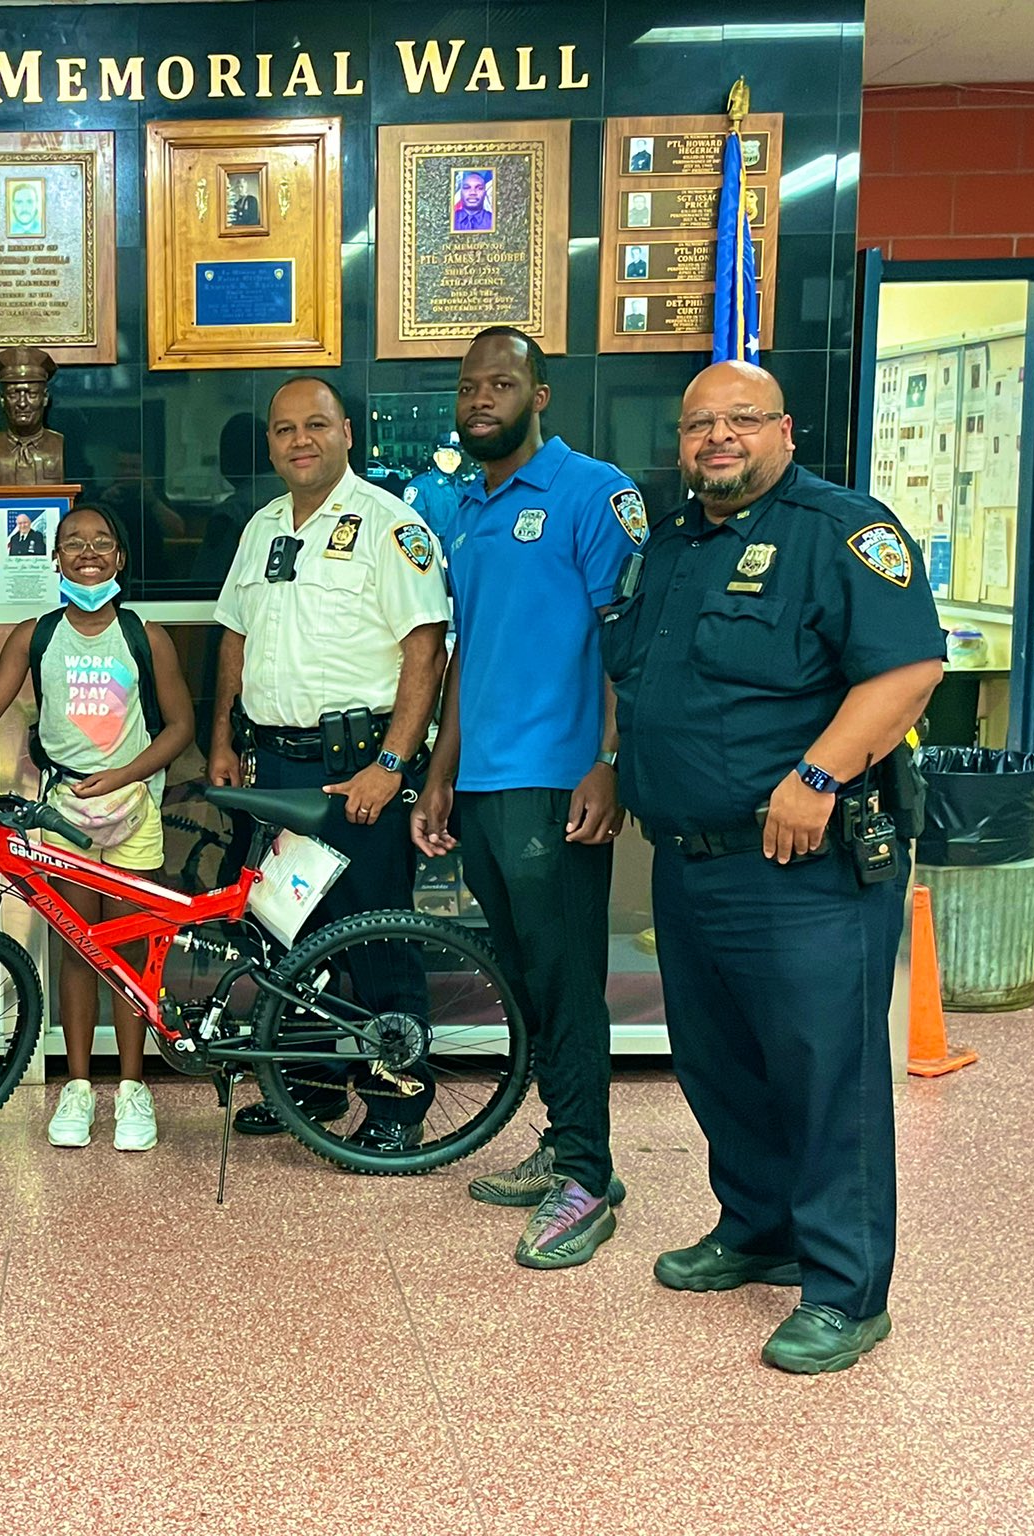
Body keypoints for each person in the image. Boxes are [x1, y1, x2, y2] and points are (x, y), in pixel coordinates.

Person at [604, 360, 943, 1373]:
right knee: (719, 1063)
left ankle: (845, 1292)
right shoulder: (672, 546)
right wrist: (613, 765)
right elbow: (647, 681)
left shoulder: (841, 531)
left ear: (784, 431)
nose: (718, 437)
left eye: (741, 419)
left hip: (801, 865)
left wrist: (817, 774)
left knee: (824, 1074)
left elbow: (908, 670)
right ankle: (758, 1230)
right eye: (698, 423)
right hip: (690, 859)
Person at [410, 326, 642, 1270]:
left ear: (539, 395)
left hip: (559, 782)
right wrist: (440, 775)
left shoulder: (593, 493)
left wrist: (611, 760)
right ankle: (564, 1140)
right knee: (526, 976)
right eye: (470, 386)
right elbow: (468, 653)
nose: (481, 400)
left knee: (566, 979)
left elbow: (627, 641)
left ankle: (587, 1176)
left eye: (501, 384)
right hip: (486, 784)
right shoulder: (466, 507)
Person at [209, 377, 450, 1147]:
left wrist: (392, 762)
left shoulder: (390, 525)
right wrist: (222, 738)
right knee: (288, 932)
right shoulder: (262, 528)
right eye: (285, 430)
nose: (300, 441)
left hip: (358, 769)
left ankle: (397, 1107)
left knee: (374, 938)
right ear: (271, 443)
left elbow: (426, 649)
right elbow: (234, 637)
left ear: (347, 432)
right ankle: (308, 1085)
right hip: (276, 769)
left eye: (315, 425)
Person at [0, 506, 194, 1151]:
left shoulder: (145, 636)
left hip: (133, 807)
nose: (88, 552)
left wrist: (124, 773)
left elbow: (180, 727)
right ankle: (79, 1085)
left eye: (102, 542)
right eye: (73, 543)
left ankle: (133, 1087)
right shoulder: (37, 636)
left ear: (120, 558)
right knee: (78, 949)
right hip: (62, 810)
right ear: (55, 559)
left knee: (128, 953)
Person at [0, 346, 66, 485]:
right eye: (13, 395)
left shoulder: (58, 444)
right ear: (2, 399)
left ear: (45, 398)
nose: (22, 403)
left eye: (32, 394)